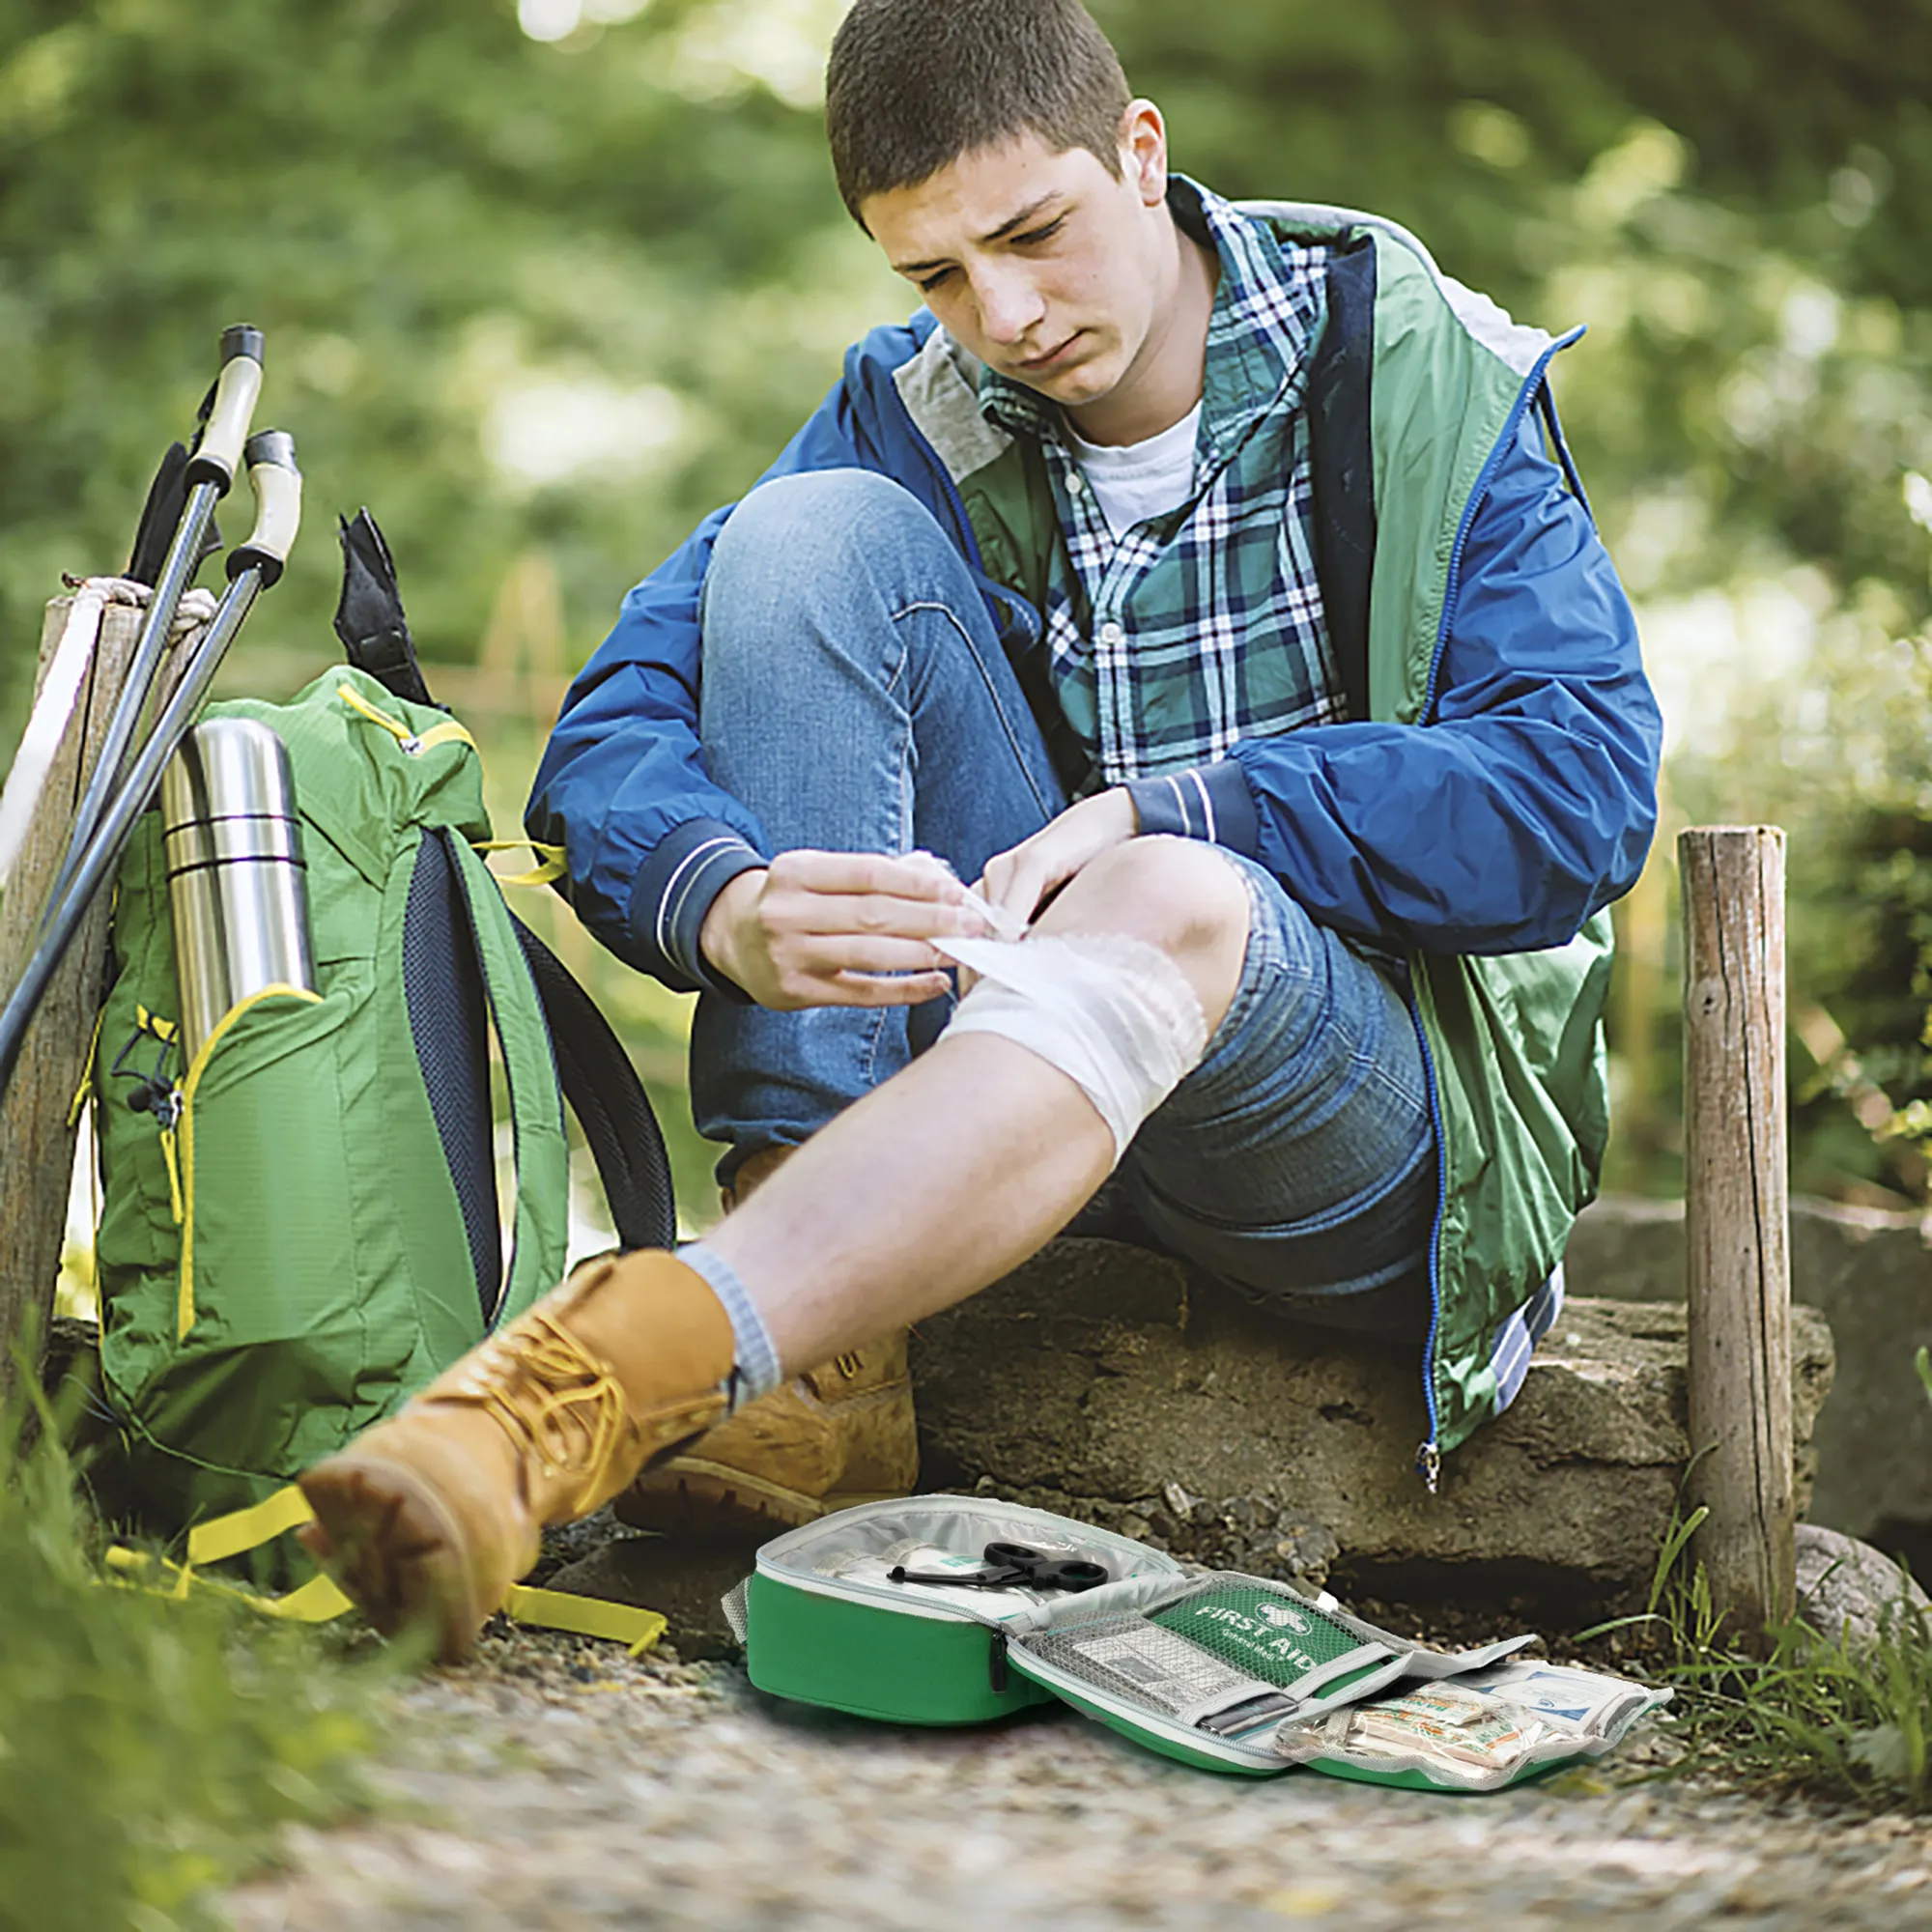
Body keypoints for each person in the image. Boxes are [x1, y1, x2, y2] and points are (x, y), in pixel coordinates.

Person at [298, 0, 1661, 1660]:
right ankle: (821, 1378)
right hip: (1013, 1097)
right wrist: (720, 902)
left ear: (1140, 153)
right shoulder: (918, 404)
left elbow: (1576, 791)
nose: (1000, 314)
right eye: (935, 275)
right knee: (801, 539)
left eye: (1033, 234)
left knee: (1163, 886)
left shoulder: (1424, 366)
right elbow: (616, 722)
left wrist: (1197, 812)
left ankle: (600, 1376)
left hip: (1369, 1138)